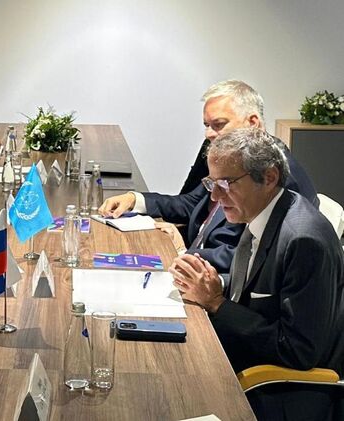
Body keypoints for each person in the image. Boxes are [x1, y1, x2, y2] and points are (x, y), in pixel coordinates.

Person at [169, 128, 344, 420]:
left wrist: (217, 303)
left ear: (269, 177)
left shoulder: (303, 240)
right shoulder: (262, 212)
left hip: (282, 392)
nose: (215, 196)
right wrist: (214, 282)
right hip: (245, 359)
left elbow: (298, 351)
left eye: (226, 183)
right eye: (211, 183)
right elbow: (256, 287)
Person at [99, 80, 317, 273]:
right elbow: (191, 203)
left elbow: (257, 256)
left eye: (219, 124)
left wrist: (184, 253)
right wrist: (135, 199)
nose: (209, 134)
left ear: (252, 123)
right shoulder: (223, 155)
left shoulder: (277, 177)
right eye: (206, 125)